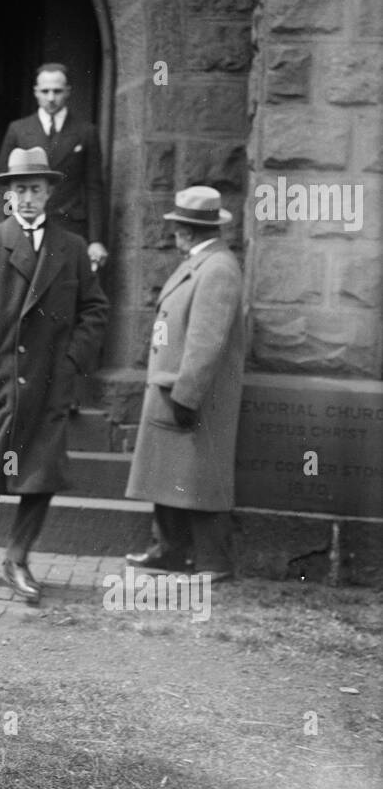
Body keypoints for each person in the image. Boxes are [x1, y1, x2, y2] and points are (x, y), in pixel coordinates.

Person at [0, 147, 109, 605]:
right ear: (8, 195)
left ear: (51, 192)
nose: (28, 198)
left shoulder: (71, 247)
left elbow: (95, 309)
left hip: (50, 384)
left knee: (41, 475)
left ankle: (18, 559)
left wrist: (71, 362)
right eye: (20, 190)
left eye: (36, 188)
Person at [125, 186, 244, 581]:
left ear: (188, 231)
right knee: (169, 474)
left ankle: (214, 563)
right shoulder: (203, 263)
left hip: (191, 393)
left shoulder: (217, 269)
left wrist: (187, 396)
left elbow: (206, 342)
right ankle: (169, 552)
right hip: (173, 388)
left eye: (176, 227)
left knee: (200, 479)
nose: (173, 233)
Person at [0, 63, 108, 273]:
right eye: (45, 91)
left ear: (68, 92)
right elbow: (3, 185)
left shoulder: (86, 132)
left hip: (69, 225)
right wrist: (2, 228)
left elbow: (94, 188)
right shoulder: (19, 130)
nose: (51, 97)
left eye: (57, 91)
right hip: (25, 223)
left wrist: (95, 240)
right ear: (36, 92)